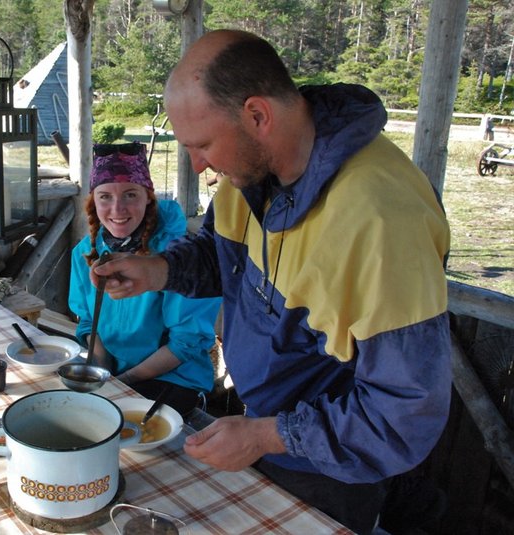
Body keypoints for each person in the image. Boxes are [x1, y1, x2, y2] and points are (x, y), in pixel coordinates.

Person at [92, 30, 452, 534]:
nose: (198, 165)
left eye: (202, 145)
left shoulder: (380, 220)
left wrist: (267, 435)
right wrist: (161, 270)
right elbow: (223, 256)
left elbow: (402, 414)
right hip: (262, 431)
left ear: (257, 115)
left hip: (331, 468)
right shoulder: (250, 174)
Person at [68, 142, 221, 418]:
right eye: (105, 197)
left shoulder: (178, 258)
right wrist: (102, 372)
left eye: (130, 195)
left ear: (148, 197)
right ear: (93, 201)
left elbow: (185, 343)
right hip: (114, 371)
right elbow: (89, 321)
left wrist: (122, 383)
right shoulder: (85, 252)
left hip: (172, 376)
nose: (117, 209)